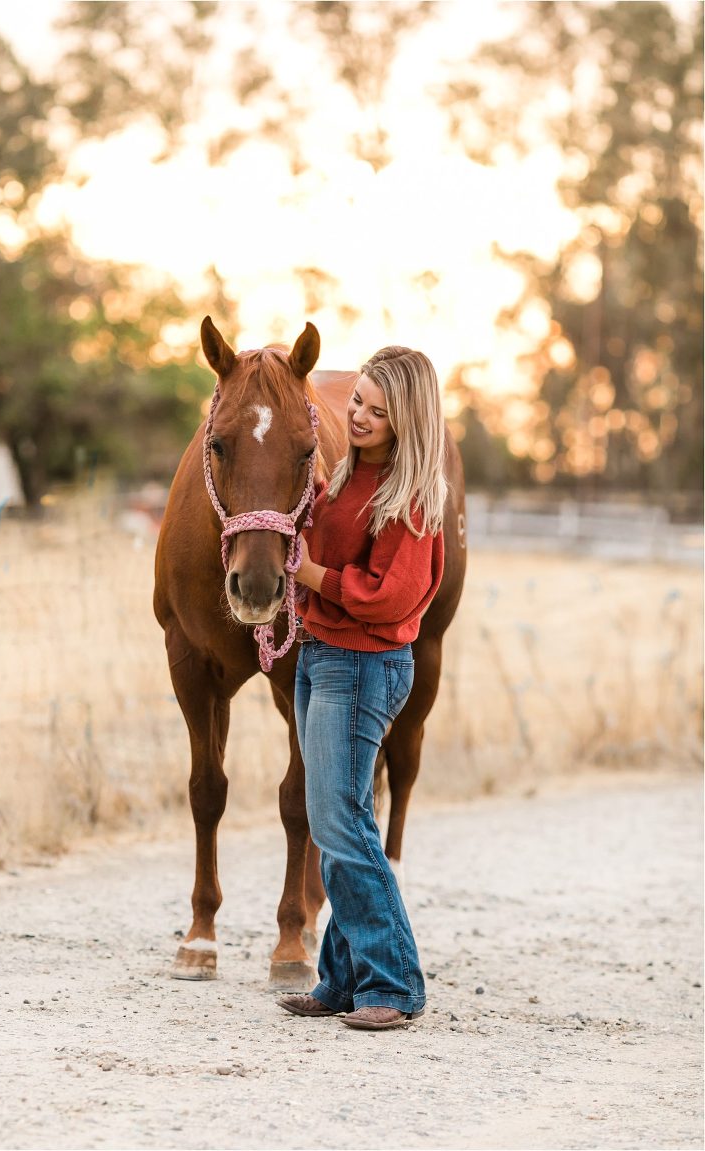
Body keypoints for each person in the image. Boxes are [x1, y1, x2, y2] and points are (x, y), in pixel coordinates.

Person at [277, 345, 446, 1032]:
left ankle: (395, 982)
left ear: (409, 420)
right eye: (359, 403)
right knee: (336, 820)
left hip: (363, 662)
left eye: (380, 410)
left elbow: (389, 596)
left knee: (342, 823)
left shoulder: (406, 498)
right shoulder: (348, 476)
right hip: (323, 655)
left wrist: (314, 578)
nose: (363, 415)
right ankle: (343, 977)